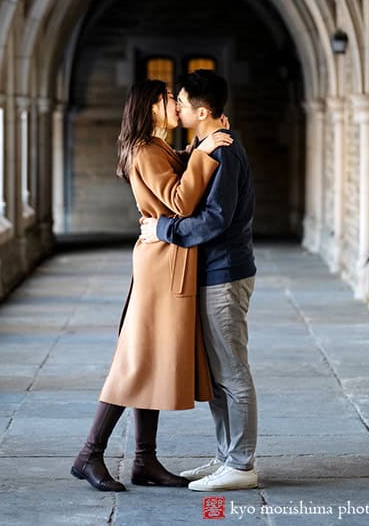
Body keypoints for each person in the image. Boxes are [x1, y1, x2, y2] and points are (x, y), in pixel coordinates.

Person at [71, 79, 233, 492]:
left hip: (166, 259)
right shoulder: (144, 150)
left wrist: (199, 147)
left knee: (151, 361)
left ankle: (144, 460)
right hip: (161, 265)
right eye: (167, 100)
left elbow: (173, 168)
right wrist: (205, 152)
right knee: (137, 359)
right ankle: (90, 453)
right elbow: (179, 200)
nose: (174, 105)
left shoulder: (155, 147)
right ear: (149, 107)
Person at [140, 70, 258, 491]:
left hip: (225, 274)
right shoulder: (210, 147)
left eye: (184, 104)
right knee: (219, 375)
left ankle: (242, 465)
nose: (178, 108)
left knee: (232, 372)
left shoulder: (225, 153)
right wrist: (197, 146)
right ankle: (225, 457)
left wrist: (162, 231)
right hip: (212, 273)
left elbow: (214, 220)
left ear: (203, 111)